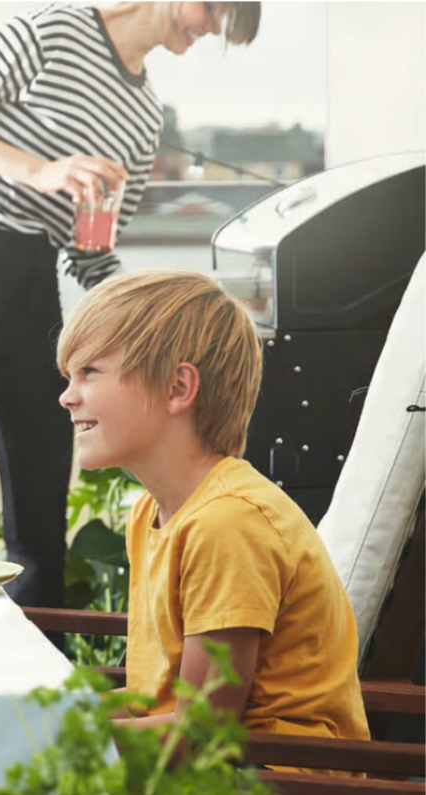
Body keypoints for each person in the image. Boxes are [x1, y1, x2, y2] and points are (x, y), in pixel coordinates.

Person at [0, 2, 260, 609]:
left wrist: (157, 326)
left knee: (43, 494)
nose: (210, 29)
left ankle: (46, 657)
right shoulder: (56, 31)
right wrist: (39, 171)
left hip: (33, 274)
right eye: (213, 9)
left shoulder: (143, 117)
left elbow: (92, 252)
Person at [56, 270, 369, 768]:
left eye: (89, 372)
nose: (67, 396)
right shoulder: (152, 513)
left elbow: (199, 733)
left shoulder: (228, 524)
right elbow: (158, 699)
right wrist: (45, 718)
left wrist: (49, 741)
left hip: (276, 777)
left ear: (178, 387)